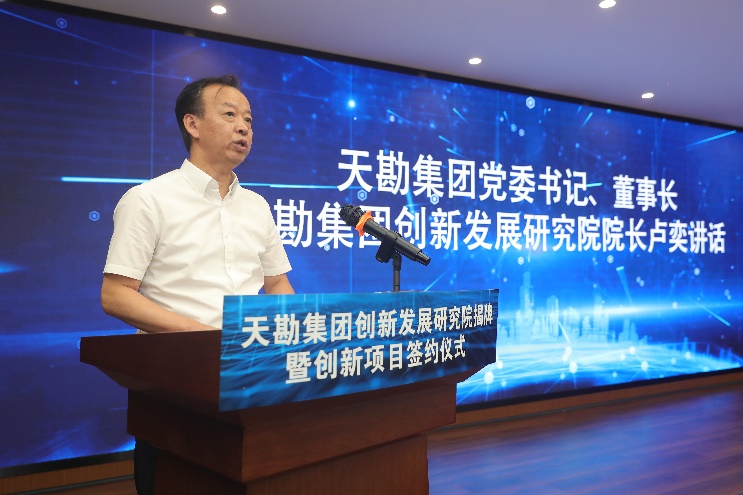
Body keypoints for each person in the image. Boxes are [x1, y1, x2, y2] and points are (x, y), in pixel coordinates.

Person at [100, 74, 294, 495]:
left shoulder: (257, 206)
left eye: (248, 120)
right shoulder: (148, 199)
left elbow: (277, 282)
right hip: (175, 380)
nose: (244, 128)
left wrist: (287, 337)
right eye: (230, 115)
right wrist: (206, 337)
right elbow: (115, 295)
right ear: (192, 124)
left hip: (249, 373)